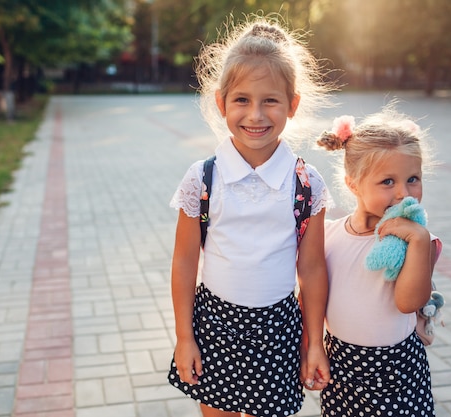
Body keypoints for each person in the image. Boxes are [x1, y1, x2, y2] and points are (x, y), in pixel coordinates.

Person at [167, 15, 333, 417]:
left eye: (270, 101)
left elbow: (311, 270)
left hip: (278, 332)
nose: (255, 115)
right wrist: (184, 337)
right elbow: (186, 262)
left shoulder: (306, 184)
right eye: (242, 100)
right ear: (221, 102)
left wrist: (314, 343)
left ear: (292, 105)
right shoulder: (203, 178)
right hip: (215, 328)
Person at [316, 105, 441, 417]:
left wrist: (420, 240)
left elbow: (407, 301)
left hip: (398, 370)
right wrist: (311, 347)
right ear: (353, 184)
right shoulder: (329, 235)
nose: (403, 193)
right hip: (342, 365)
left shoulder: (413, 240)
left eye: (413, 179)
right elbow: (311, 297)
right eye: (388, 182)